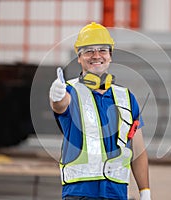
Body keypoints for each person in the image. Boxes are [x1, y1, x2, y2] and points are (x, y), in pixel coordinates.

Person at [49, 22, 151, 200]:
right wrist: (56, 96)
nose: (96, 55)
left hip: (117, 194)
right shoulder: (71, 91)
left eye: (102, 50)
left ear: (110, 56)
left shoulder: (126, 97)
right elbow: (60, 105)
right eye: (88, 51)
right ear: (79, 57)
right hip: (80, 194)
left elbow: (138, 150)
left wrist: (145, 192)